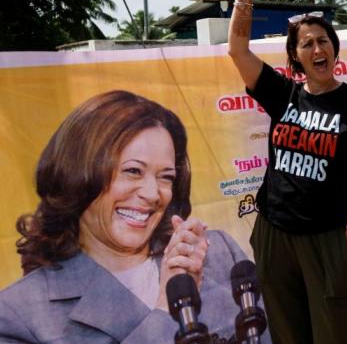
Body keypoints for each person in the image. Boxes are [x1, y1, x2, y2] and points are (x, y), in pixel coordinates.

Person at [0, 90, 270, 344]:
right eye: (132, 171)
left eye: (166, 177)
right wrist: (166, 309)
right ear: (77, 175)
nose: (153, 194)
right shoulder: (17, 314)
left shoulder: (218, 251)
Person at [227, 0, 347, 344]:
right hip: (275, 233)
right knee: (287, 334)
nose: (318, 48)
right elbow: (237, 50)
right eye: (307, 43)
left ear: (334, 48)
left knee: (333, 334)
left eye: (323, 41)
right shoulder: (284, 95)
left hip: (330, 238)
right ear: (296, 56)